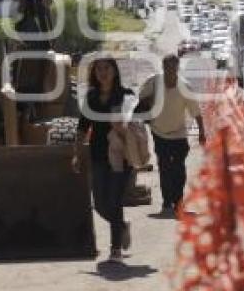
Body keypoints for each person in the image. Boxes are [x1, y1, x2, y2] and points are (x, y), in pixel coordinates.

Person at [73, 57, 134, 262]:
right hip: (98, 156)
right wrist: (76, 153)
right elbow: (82, 127)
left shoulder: (125, 95)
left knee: (114, 202)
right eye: (98, 69)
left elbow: (137, 126)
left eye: (106, 68)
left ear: (114, 71)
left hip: (121, 156)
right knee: (100, 203)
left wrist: (123, 128)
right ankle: (122, 226)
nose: (102, 72)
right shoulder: (91, 97)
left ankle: (115, 248)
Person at [137, 54, 205, 215]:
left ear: (177, 68)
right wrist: (148, 99)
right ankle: (167, 202)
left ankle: (178, 200)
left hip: (179, 133)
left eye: (173, 67)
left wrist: (202, 131)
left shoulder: (185, 87)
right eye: (167, 67)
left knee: (178, 169)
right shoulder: (154, 82)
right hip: (158, 131)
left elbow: (196, 112)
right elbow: (140, 99)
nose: (170, 71)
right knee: (165, 167)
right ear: (163, 67)